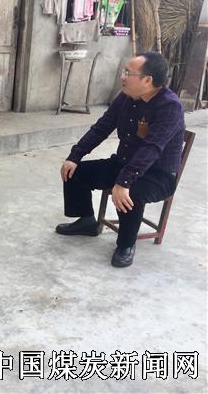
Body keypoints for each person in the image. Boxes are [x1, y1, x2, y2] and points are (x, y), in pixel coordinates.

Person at [56, 52, 185, 268]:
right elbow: (101, 128)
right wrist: (75, 156)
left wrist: (124, 181)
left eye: (128, 73)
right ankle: (87, 221)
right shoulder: (126, 97)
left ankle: (126, 244)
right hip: (123, 164)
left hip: (157, 175)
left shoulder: (169, 107)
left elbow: (151, 148)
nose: (123, 77)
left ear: (147, 80)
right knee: (74, 171)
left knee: (130, 193)